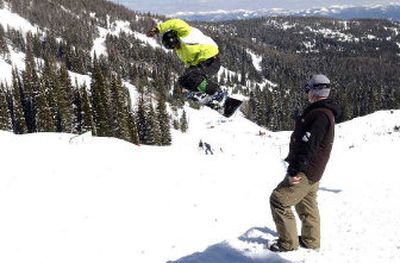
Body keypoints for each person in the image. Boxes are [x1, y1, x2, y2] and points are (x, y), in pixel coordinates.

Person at [268, 74, 341, 252]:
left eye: (308, 89)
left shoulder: (320, 115)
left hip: (305, 170)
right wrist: (301, 121)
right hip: (314, 171)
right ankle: (311, 240)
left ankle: (288, 243)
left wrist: (294, 170)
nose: (307, 93)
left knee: (279, 200)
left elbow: (308, 145)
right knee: (306, 203)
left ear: (315, 92)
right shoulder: (323, 112)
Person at [147, 18, 225, 107]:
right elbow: (190, 65)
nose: (176, 47)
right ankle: (202, 94)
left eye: (175, 44)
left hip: (211, 59)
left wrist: (158, 29)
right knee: (183, 80)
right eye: (172, 47)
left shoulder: (185, 33)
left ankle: (216, 92)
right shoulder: (180, 51)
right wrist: (186, 82)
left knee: (192, 74)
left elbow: (175, 22)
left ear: (175, 38)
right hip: (201, 64)